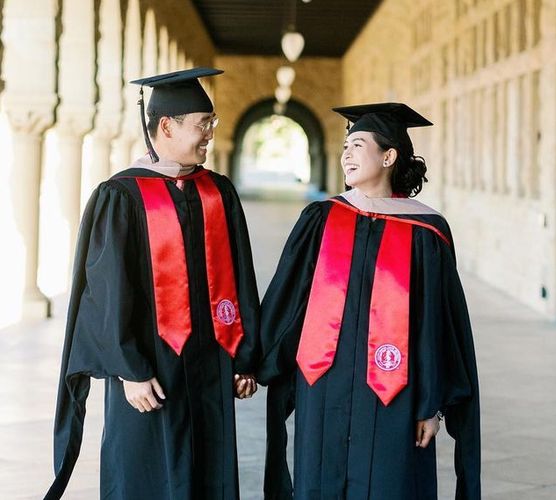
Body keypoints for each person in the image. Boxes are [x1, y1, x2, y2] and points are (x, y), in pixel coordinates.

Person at [45, 68, 260, 499]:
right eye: (203, 124)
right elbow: (107, 291)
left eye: (212, 124)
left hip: (210, 366)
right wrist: (130, 370)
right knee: (145, 475)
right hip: (150, 370)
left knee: (208, 473)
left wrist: (245, 356)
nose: (209, 135)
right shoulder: (122, 195)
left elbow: (241, 277)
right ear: (167, 126)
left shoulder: (217, 191)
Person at [257, 102, 481, 499]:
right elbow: (288, 300)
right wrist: (253, 361)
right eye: (345, 145)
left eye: (358, 144)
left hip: (395, 396)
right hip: (323, 387)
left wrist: (431, 404)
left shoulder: (426, 231)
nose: (346, 154)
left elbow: (437, 326)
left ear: (389, 155)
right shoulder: (321, 218)